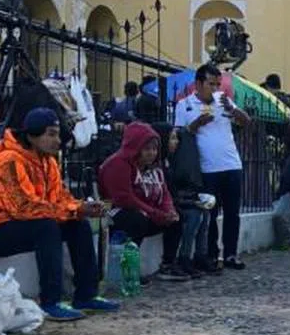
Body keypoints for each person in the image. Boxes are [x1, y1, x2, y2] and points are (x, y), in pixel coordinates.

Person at [0, 107, 117, 322]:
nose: (57, 140)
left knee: (77, 224)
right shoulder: (7, 162)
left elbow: (59, 198)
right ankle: (50, 301)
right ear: (32, 135)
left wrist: (80, 208)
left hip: (17, 224)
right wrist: (72, 209)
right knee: (46, 227)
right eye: (51, 134)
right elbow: (22, 207)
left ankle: (86, 294)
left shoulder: (48, 162)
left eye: (58, 134)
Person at [174, 64, 251, 269]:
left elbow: (247, 121)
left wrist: (232, 109)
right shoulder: (184, 105)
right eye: (211, 84)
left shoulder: (223, 101)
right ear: (198, 84)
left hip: (231, 163)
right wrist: (196, 124)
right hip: (207, 167)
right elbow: (179, 137)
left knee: (233, 212)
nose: (215, 88)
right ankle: (210, 254)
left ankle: (231, 254)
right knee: (210, 213)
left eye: (218, 84)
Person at [97, 121, 181, 272]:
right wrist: (156, 214)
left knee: (177, 218)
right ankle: (129, 269)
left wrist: (169, 211)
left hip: (148, 211)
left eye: (155, 149)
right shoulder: (118, 164)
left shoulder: (154, 167)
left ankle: (168, 264)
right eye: (147, 149)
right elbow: (125, 198)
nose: (152, 153)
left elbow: (164, 191)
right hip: (118, 212)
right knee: (136, 221)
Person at [162, 122, 215, 278]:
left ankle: (200, 255)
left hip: (176, 201)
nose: (176, 142)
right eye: (172, 138)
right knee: (193, 216)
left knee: (204, 213)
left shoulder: (172, 161)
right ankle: (183, 258)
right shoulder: (163, 165)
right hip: (168, 204)